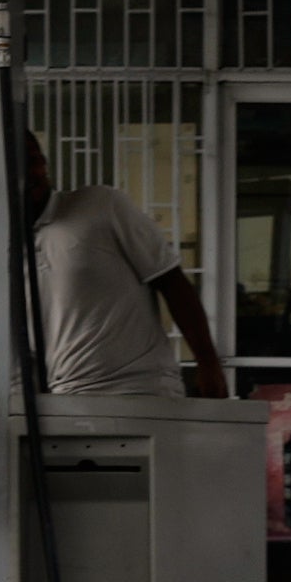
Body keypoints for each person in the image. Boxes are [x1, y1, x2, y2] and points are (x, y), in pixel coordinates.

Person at [25, 141, 228, 400]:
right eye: (16, 166)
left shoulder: (101, 205)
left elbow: (172, 281)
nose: (29, 173)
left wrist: (208, 364)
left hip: (141, 388)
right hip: (66, 397)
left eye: (33, 161)